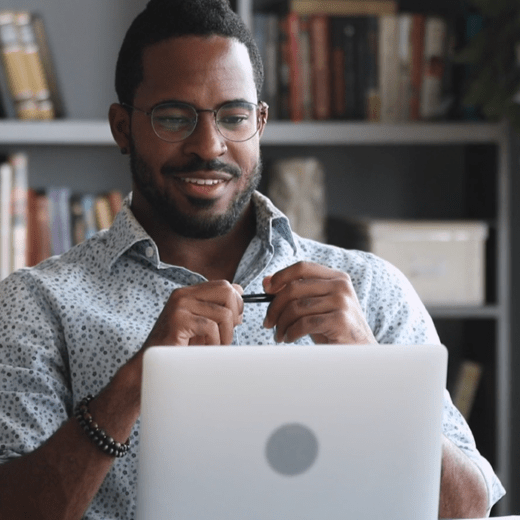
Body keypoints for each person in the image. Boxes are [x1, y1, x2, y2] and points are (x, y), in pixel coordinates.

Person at [0, 0, 505, 518]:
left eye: (233, 116)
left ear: (259, 123)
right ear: (123, 128)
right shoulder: (38, 303)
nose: (208, 144)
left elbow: (467, 509)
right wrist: (132, 386)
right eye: (174, 117)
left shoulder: (371, 289)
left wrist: (374, 369)